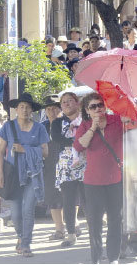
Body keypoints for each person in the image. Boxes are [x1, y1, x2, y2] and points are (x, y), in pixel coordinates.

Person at [73, 93, 123, 263]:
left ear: (105, 106)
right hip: (93, 181)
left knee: (115, 219)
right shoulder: (85, 125)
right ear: (87, 110)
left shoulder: (116, 120)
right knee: (94, 223)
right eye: (93, 106)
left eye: (100, 105)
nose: (98, 109)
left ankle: (113, 257)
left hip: (115, 178)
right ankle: (96, 258)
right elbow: (79, 145)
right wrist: (93, 127)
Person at [0, 93, 50, 257]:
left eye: (28, 107)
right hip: (12, 176)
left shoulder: (39, 128)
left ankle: (26, 243)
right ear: (16, 109)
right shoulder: (8, 127)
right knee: (15, 214)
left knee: (28, 211)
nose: (25, 110)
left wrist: (25, 149)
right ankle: (20, 236)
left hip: (33, 176)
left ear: (32, 110)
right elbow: (0, 152)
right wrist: (0, 175)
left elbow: (45, 152)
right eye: (22, 107)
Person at [52, 92, 85, 248]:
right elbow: (57, 138)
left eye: (69, 101)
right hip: (66, 166)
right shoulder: (57, 123)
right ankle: (71, 234)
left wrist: (77, 142)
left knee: (89, 200)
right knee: (69, 201)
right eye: (63, 102)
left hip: (86, 163)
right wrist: (77, 141)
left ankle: (94, 232)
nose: (66, 104)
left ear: (77, 103)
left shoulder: (86, 120)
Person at [41, 95, 66, 242]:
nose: (51, 111)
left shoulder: (66, 123)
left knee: (69, 196)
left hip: (66, 163)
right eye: (49, 109)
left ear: (60, 108)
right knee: (52, 197)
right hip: (49, 165)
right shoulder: (42, 126)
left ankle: (72, 223)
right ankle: (59, 229)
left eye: (55, 108)